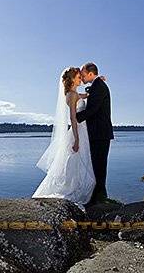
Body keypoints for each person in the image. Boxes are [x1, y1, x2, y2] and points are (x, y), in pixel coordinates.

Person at [32, 67, 96, 211]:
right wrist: (77, 139)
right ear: (72, 79)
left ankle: (77, 185)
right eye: (79, 77)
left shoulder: (74, 94)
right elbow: (73, 118)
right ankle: (72, 189)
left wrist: (97, 83)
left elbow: (85, 96)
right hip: (77, 131)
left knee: (79, 163)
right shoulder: (71, 96)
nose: (81, 78)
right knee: (76, 162)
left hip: (83, 130)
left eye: (81, 76)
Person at [76, 62, 114, 207]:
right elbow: (91, 94)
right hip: (98, 133)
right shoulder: (97, 85)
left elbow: (92, 110)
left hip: (100, 134)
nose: (82, 77)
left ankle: (99, 197)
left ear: (91, 74)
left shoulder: (99, 87)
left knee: (99, 165)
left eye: (84, 75)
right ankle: (99, 195)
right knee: (97, 165)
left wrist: (75, 118)